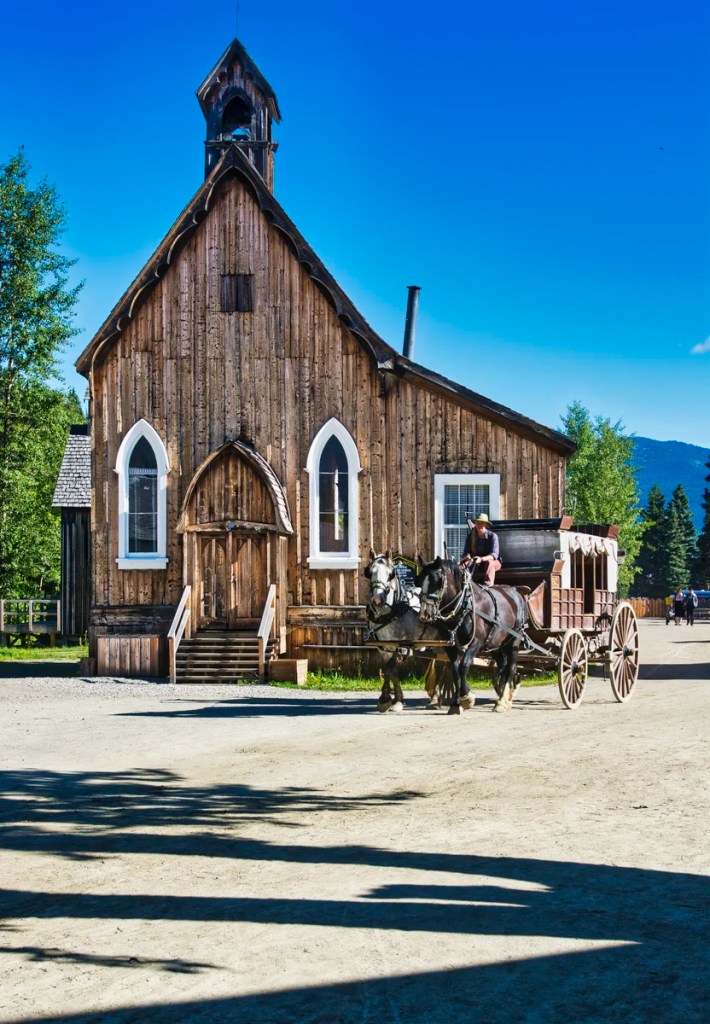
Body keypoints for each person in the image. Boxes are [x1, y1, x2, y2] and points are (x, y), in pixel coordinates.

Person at [459, 512, 502, 585]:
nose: (479, 525)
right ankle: (459, 584)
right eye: (477, 523)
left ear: (486, 525)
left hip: (491, 562)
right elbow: (466, 552)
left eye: (482, 523)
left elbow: (494, 555)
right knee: (462, 565)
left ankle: (488, 586)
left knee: (489, 563)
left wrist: (481, 559)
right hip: (475, 562)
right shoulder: (470, 537)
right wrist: (467, 556)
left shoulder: (492, 536)